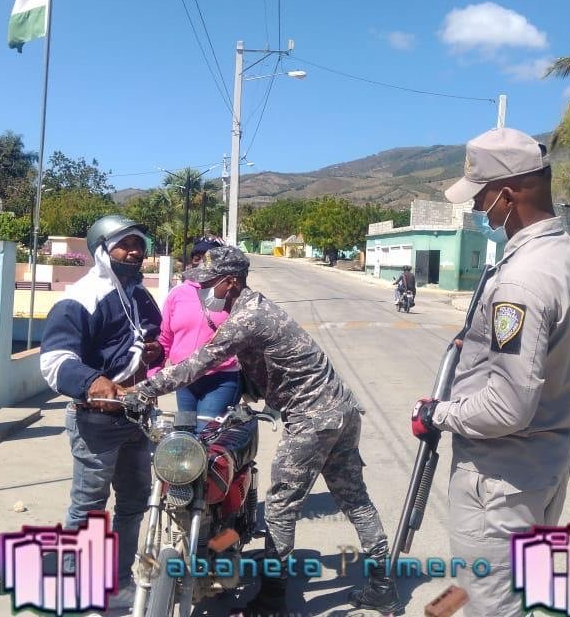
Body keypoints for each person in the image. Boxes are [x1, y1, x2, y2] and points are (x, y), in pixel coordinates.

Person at [132, 246, 401, 616]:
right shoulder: (255, 309)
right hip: (340, 409)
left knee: (280, 508)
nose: (204, 290)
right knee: (354, 497)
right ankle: (382, 586)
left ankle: (273, 598)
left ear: (231, 282)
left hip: (311, 416)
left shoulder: (249, 317)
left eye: (209, 284)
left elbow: (199, 362)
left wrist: (143, 390)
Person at [410, 128, 570, 616]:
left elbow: (507, 407)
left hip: (498, 480)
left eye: (481, 196)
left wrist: (437, 415)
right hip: (543, 469)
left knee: (489, 605)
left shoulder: (521, 280)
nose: (479, 207)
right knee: (517, 598)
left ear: (508, 195)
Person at [39, 214, 163, 607]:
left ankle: (119, 582)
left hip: (137, 417)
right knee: (89, 507)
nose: (135, 252)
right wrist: (92, 382)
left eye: (139, 244)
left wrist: (153, 352)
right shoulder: (80, 297)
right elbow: (55, 360)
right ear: (103, 250)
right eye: (125, 244)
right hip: (97, 420)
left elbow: (153, 336)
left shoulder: (139, 295)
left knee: (134, 502)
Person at [157, 236, 240, 431]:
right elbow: (165, 338)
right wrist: (155, 377)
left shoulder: (232, 294)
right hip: (184, 379)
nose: (202, 262)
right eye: (197, 257)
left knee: (206, 435)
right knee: (186, 436)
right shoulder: (177, 294)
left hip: (220, 379)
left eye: (209, 257)